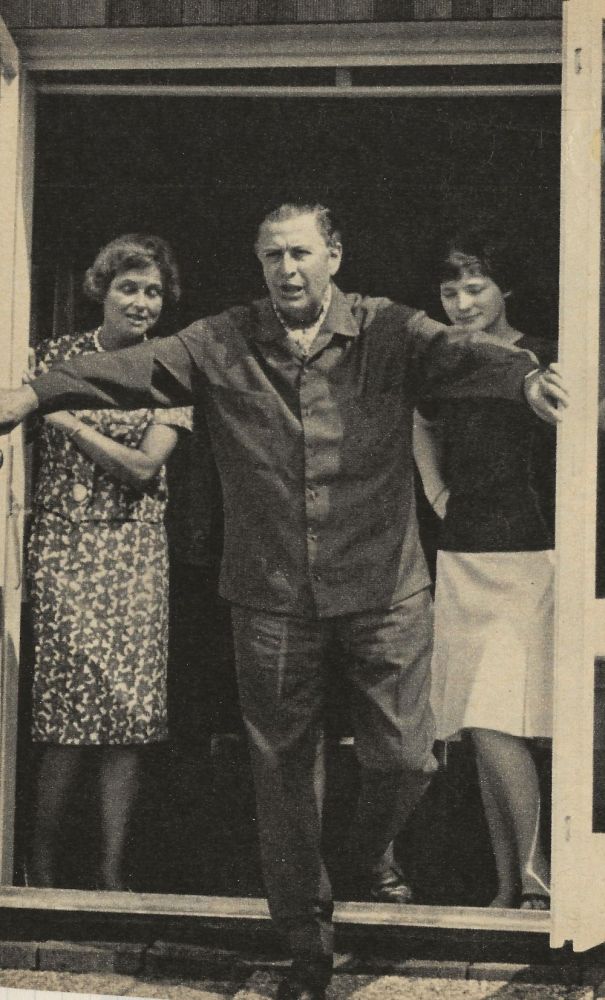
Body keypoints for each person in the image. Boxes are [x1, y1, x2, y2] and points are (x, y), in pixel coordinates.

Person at [0, 204, 565, 1000]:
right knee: (285, 773)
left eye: (300, 252)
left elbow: (463, 353)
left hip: (382, 588)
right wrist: (35, 394)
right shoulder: (225, 338)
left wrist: (527, 377)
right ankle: (307, 945)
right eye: (272, 256)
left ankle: (359, 856)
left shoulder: (388, 328)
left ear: (333, 255)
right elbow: (136, 367)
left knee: (407, 758)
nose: (287, 269)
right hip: (270, 595)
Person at [25, 234, 192, 890]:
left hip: (135, 552)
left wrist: (68, 422)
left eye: (153, 291)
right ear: (102, 289)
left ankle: (111, 872)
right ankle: (39, 867)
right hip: (63, 550)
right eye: (129, 287)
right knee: (64, 717)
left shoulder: (171, 368)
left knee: (128, 718)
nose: (141, 302)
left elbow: (145, 466)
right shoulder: (53, 359)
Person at [413, 229, 556, 910]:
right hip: (463, 556)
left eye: (475, 288)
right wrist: (438, 494)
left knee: (496, 719)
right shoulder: (442, 360)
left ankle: (538, 881)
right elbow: (418, 422)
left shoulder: (543, 355)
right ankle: (508, 886)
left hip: (528, 556)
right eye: (450, 292)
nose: (462, 303)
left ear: (506, 289)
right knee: (475, 726)